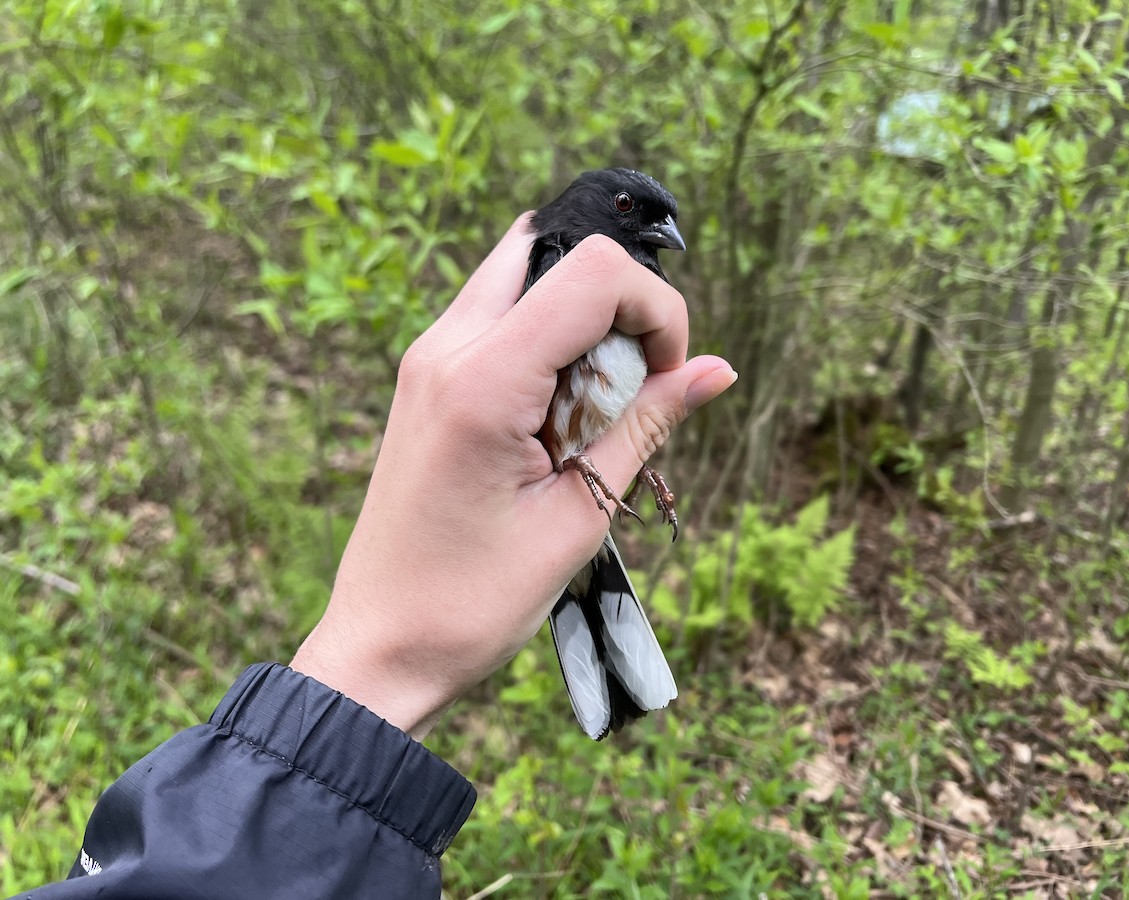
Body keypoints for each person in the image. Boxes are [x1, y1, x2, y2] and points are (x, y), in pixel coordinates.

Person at [9, 214, 737, 899]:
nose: (662, 231)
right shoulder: (548, 274)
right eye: (630, 208)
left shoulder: (605, 299)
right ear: (590, 214)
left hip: (571, 491)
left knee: (588, 540)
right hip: (555, 480)